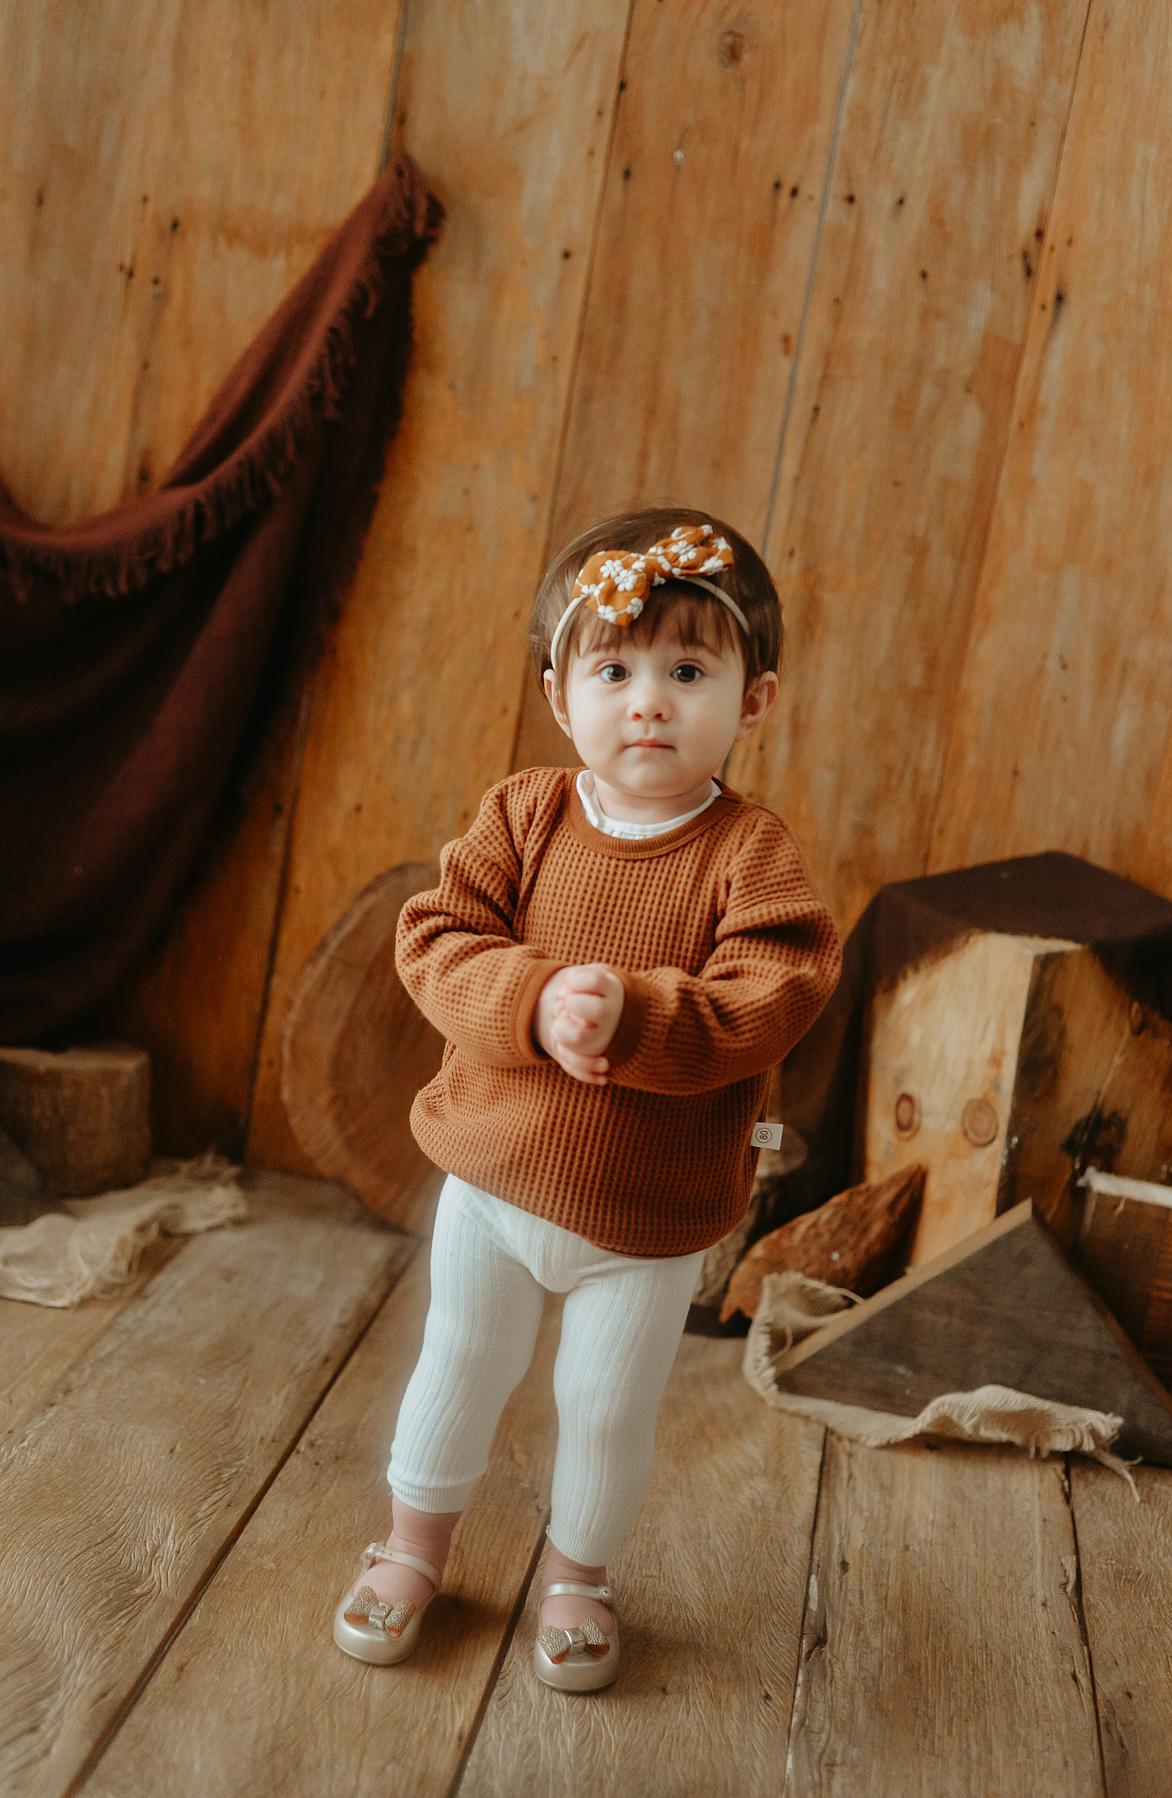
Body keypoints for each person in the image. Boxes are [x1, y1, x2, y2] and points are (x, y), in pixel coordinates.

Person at [332, 508, 841, 1690]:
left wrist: (640, 1014)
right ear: (561, 697)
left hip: (644, 1216)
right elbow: (436, 939)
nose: (648, 702)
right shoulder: (524, 815)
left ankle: (577, 1574)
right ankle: (410, 1549)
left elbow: (776, 993)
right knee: (459, 1363)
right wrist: (533, 996)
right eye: (614, 671)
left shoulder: (749, 855)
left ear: (754, 701)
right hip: (495, 1182)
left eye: (687, 672)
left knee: (605, 1407)